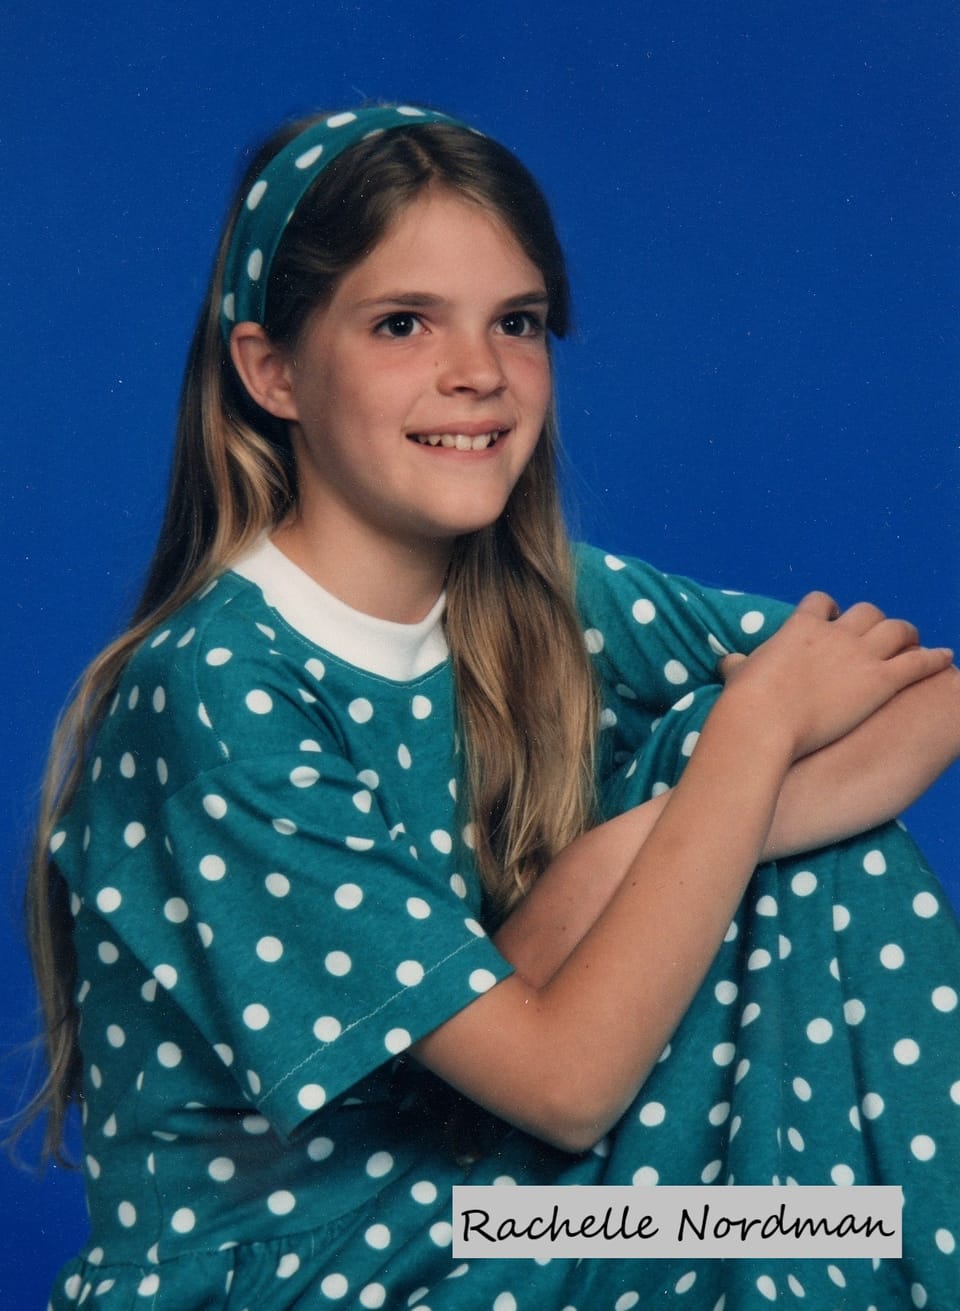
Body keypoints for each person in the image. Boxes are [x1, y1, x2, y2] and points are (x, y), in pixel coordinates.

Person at [22, 103, 960, 1310]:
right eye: (402, 323)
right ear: (272, 371)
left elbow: (927, 697)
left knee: (846, 1194)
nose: (478, 373)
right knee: (734, 755)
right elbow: (566, 1086)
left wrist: (645, 842)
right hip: (309, 1272)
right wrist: (737, 756)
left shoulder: (543, 599)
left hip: (484, 1211)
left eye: (516, 322)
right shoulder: (216, 690)